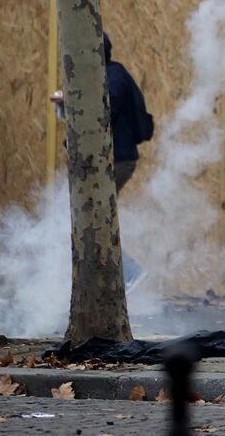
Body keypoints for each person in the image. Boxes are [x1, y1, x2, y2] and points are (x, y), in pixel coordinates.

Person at [50, 32, 153, 284]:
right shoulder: (105, 75)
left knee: (94, 217)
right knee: (92, 217)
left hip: (115, 160)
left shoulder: (113, 75)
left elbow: (104, 110)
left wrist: (71, 100)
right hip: (109, 159)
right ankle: (112, 277)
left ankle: (128, 273)